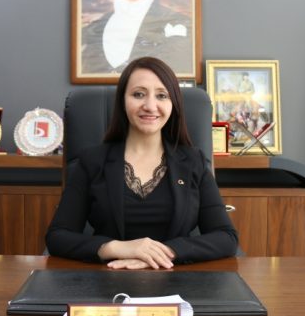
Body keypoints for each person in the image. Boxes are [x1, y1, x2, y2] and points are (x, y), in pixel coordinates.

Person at [46, 57, 238, 270]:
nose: (150, 106)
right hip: (108, 279)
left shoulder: (194, 162)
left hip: (177, 279)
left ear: (173, 104)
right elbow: (57, 237)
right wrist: (116, 248)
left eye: (161, 95)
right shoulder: (92, 161)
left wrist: (164, 253)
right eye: (138, 94)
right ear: (122, 101)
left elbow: (226, 237)